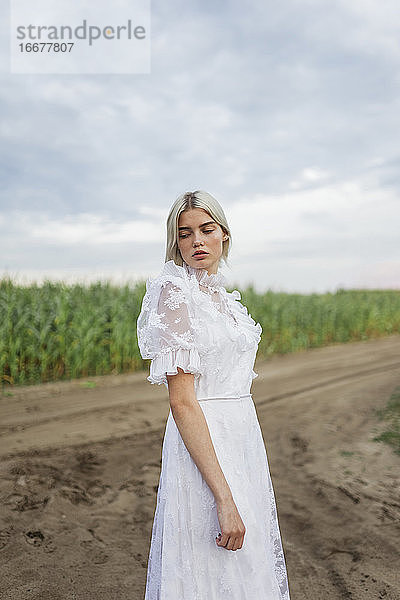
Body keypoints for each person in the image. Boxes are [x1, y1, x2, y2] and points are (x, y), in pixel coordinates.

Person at [136, 190, 291, 599]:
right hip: (203, 442)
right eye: (184, 234)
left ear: (224, 234)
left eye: (206, 230)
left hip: (242, 440)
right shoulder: (174, 295)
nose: (196, 242)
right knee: (208, 555)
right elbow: (182, 401)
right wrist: (223, 496)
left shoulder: (225, 300)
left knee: (245, 562)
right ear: (176, 243)